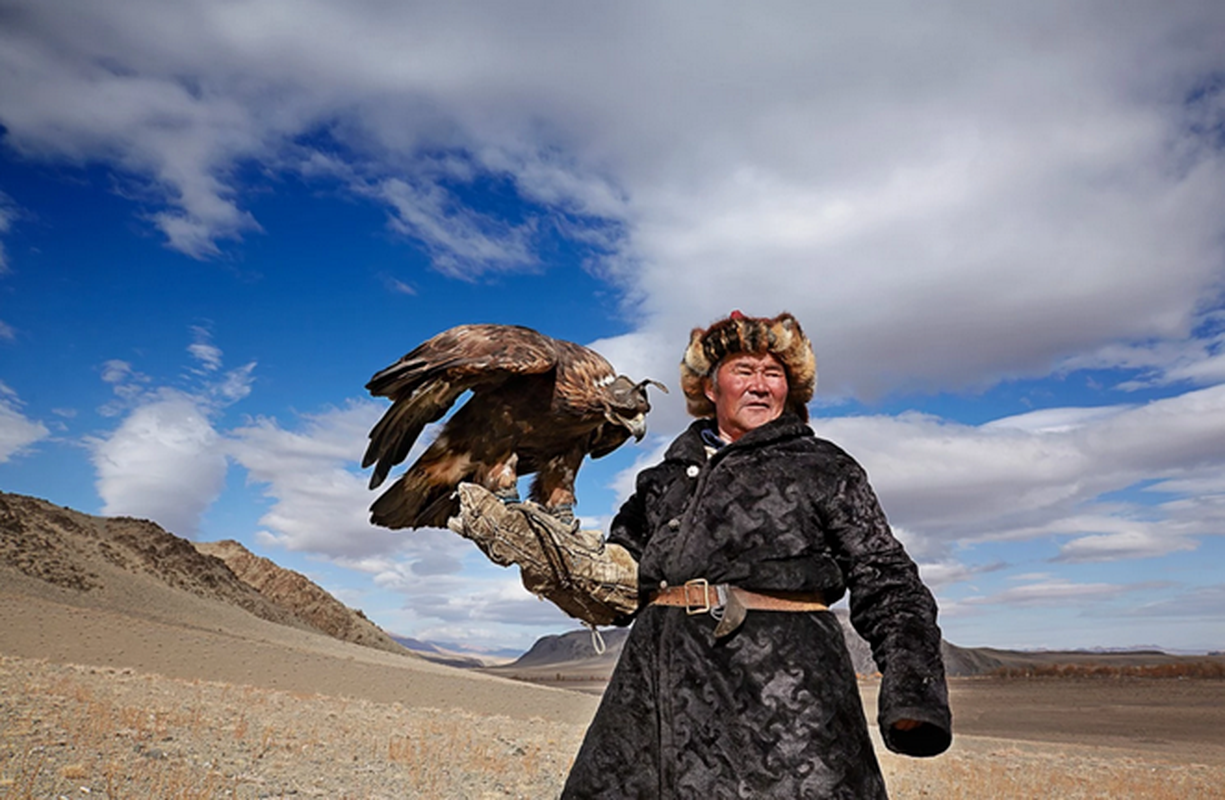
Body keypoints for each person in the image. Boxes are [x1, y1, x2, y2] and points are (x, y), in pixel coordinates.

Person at [561, 311, 952, 799]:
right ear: (710, 388)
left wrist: (912, 689)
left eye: (773, 374)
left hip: (786, 704)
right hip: (653, 696)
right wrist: (558, 566)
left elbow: (887, 578)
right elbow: (619, 577)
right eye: (744, 371)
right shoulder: (663, 480)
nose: (760, 385)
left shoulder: (824, 467)